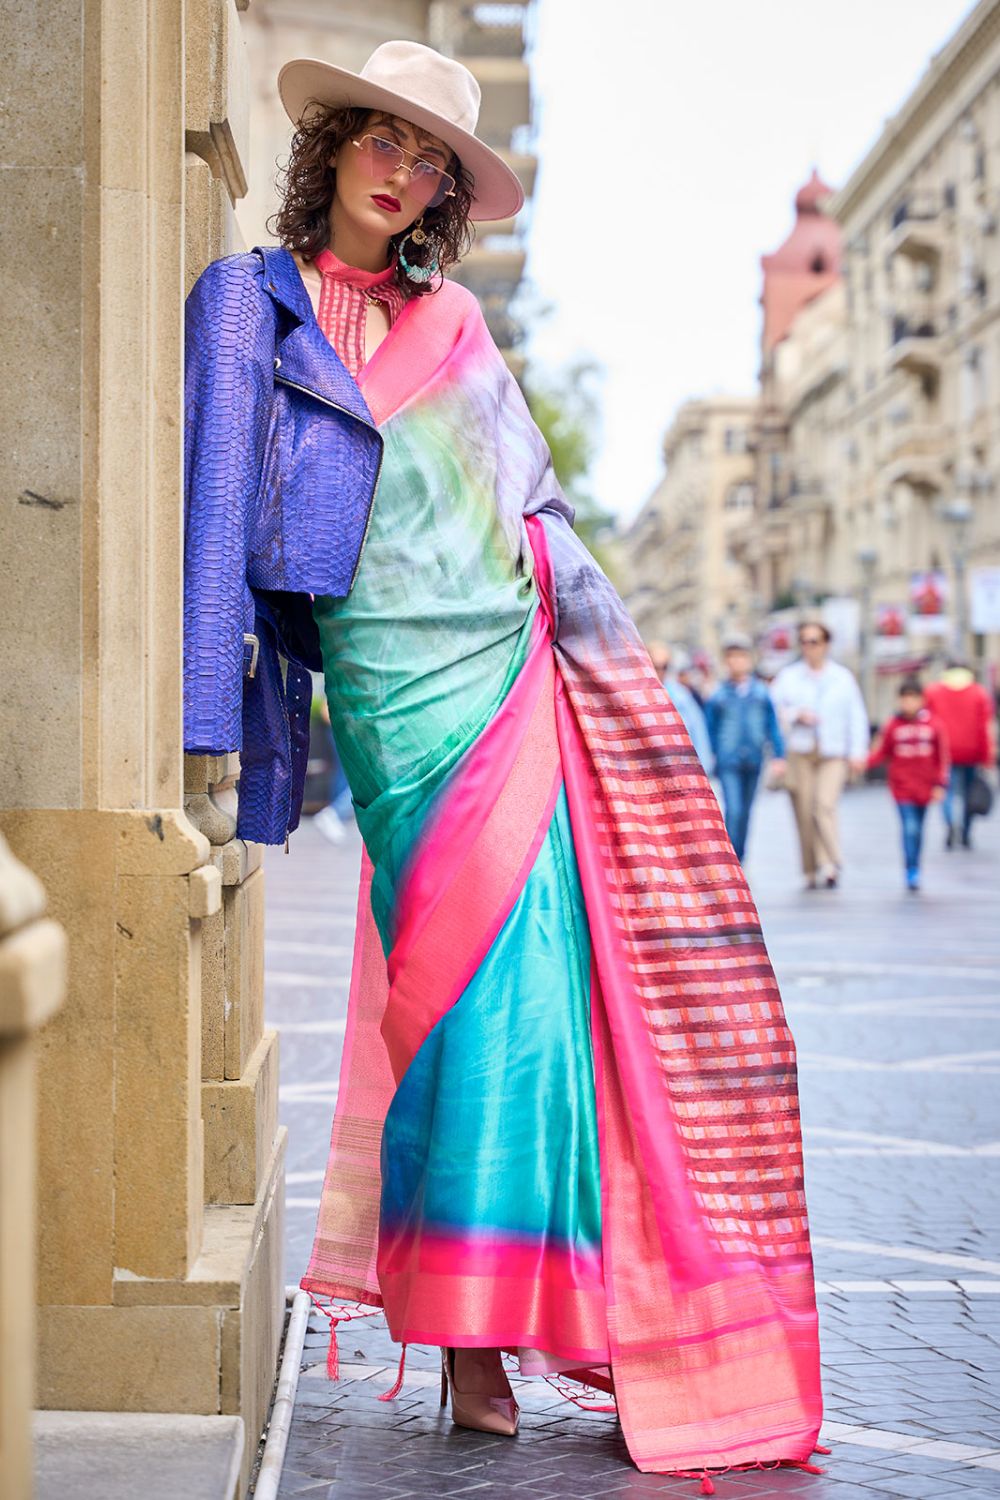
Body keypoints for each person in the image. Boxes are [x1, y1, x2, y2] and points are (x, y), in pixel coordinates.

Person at [181, 41, 822, 1481]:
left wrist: (616, 673)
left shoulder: (458, 322)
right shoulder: (244, 304)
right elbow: (217, 519)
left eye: (431, 162)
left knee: (520, 1013)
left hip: (511, 676)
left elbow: (529, 504)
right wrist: (212, 737)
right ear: (333, 146)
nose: (401, 173)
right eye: (382, 142)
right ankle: (471, 1315)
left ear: (443, 198)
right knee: (446, 999)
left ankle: (486, 1336)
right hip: (391, 703)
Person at [770, 620, 870, 890]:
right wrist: (795, 715)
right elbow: (773, 711)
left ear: (825, 644)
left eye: (814, 641)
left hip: (833, 751)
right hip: (800, 751)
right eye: (804, 641)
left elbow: (856, 716)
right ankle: (810, 868)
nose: (808, 647)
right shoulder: (789, 676)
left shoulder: (842, 677)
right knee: (803, 811)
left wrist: (858, 753)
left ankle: (831, 862)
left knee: (824, 805)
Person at [705, 633, 786, 863]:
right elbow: (709, 728)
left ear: (749, 660)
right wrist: (711, 754)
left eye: (740, 657)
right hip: (728, 759)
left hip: (754, 758)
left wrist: (779, 754)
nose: (736, 662)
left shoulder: (761, 693)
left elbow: (772, 726)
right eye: (731, 657)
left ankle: (740, 853)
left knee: (748, 811)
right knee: (734, 808)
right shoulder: (718, 695)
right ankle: (732, 858)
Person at [866, 678, 949, 892]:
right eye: (905, 699)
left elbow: (942, 757)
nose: (909, 703)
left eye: (913, 698)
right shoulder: (893, 726)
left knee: (919, 830)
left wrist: (940, 784)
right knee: (909, 827)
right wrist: (862, 762)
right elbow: (883, 753)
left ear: (921, 700)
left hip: (925, 787)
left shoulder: (933, 725)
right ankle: (910, 868)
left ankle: (916, 863)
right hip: (902, 788)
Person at [924, 658, 995, 849]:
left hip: (944, 752)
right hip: (971, 752)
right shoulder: (978, 693)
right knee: (968, 794)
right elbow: (984, 727)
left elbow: (927, 723)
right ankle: (965, 831)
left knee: (946, 791)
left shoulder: (933, 691)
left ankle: (950, 824)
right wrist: (987, 756)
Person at [648, 641, 713, 771]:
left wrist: (703, 767)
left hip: (682, 766)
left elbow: (698, 729)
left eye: (664, 667)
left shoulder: (680, 694)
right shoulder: (637, 695)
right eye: (655, 666)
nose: (660, 671)